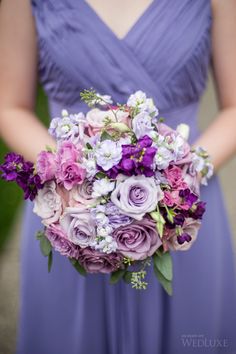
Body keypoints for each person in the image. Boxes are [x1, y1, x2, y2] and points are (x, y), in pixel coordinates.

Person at [0, 0, 236, 353]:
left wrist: (179, 176)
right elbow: (10, 106)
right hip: (72, 216)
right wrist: (76, 179)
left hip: (183, 210)